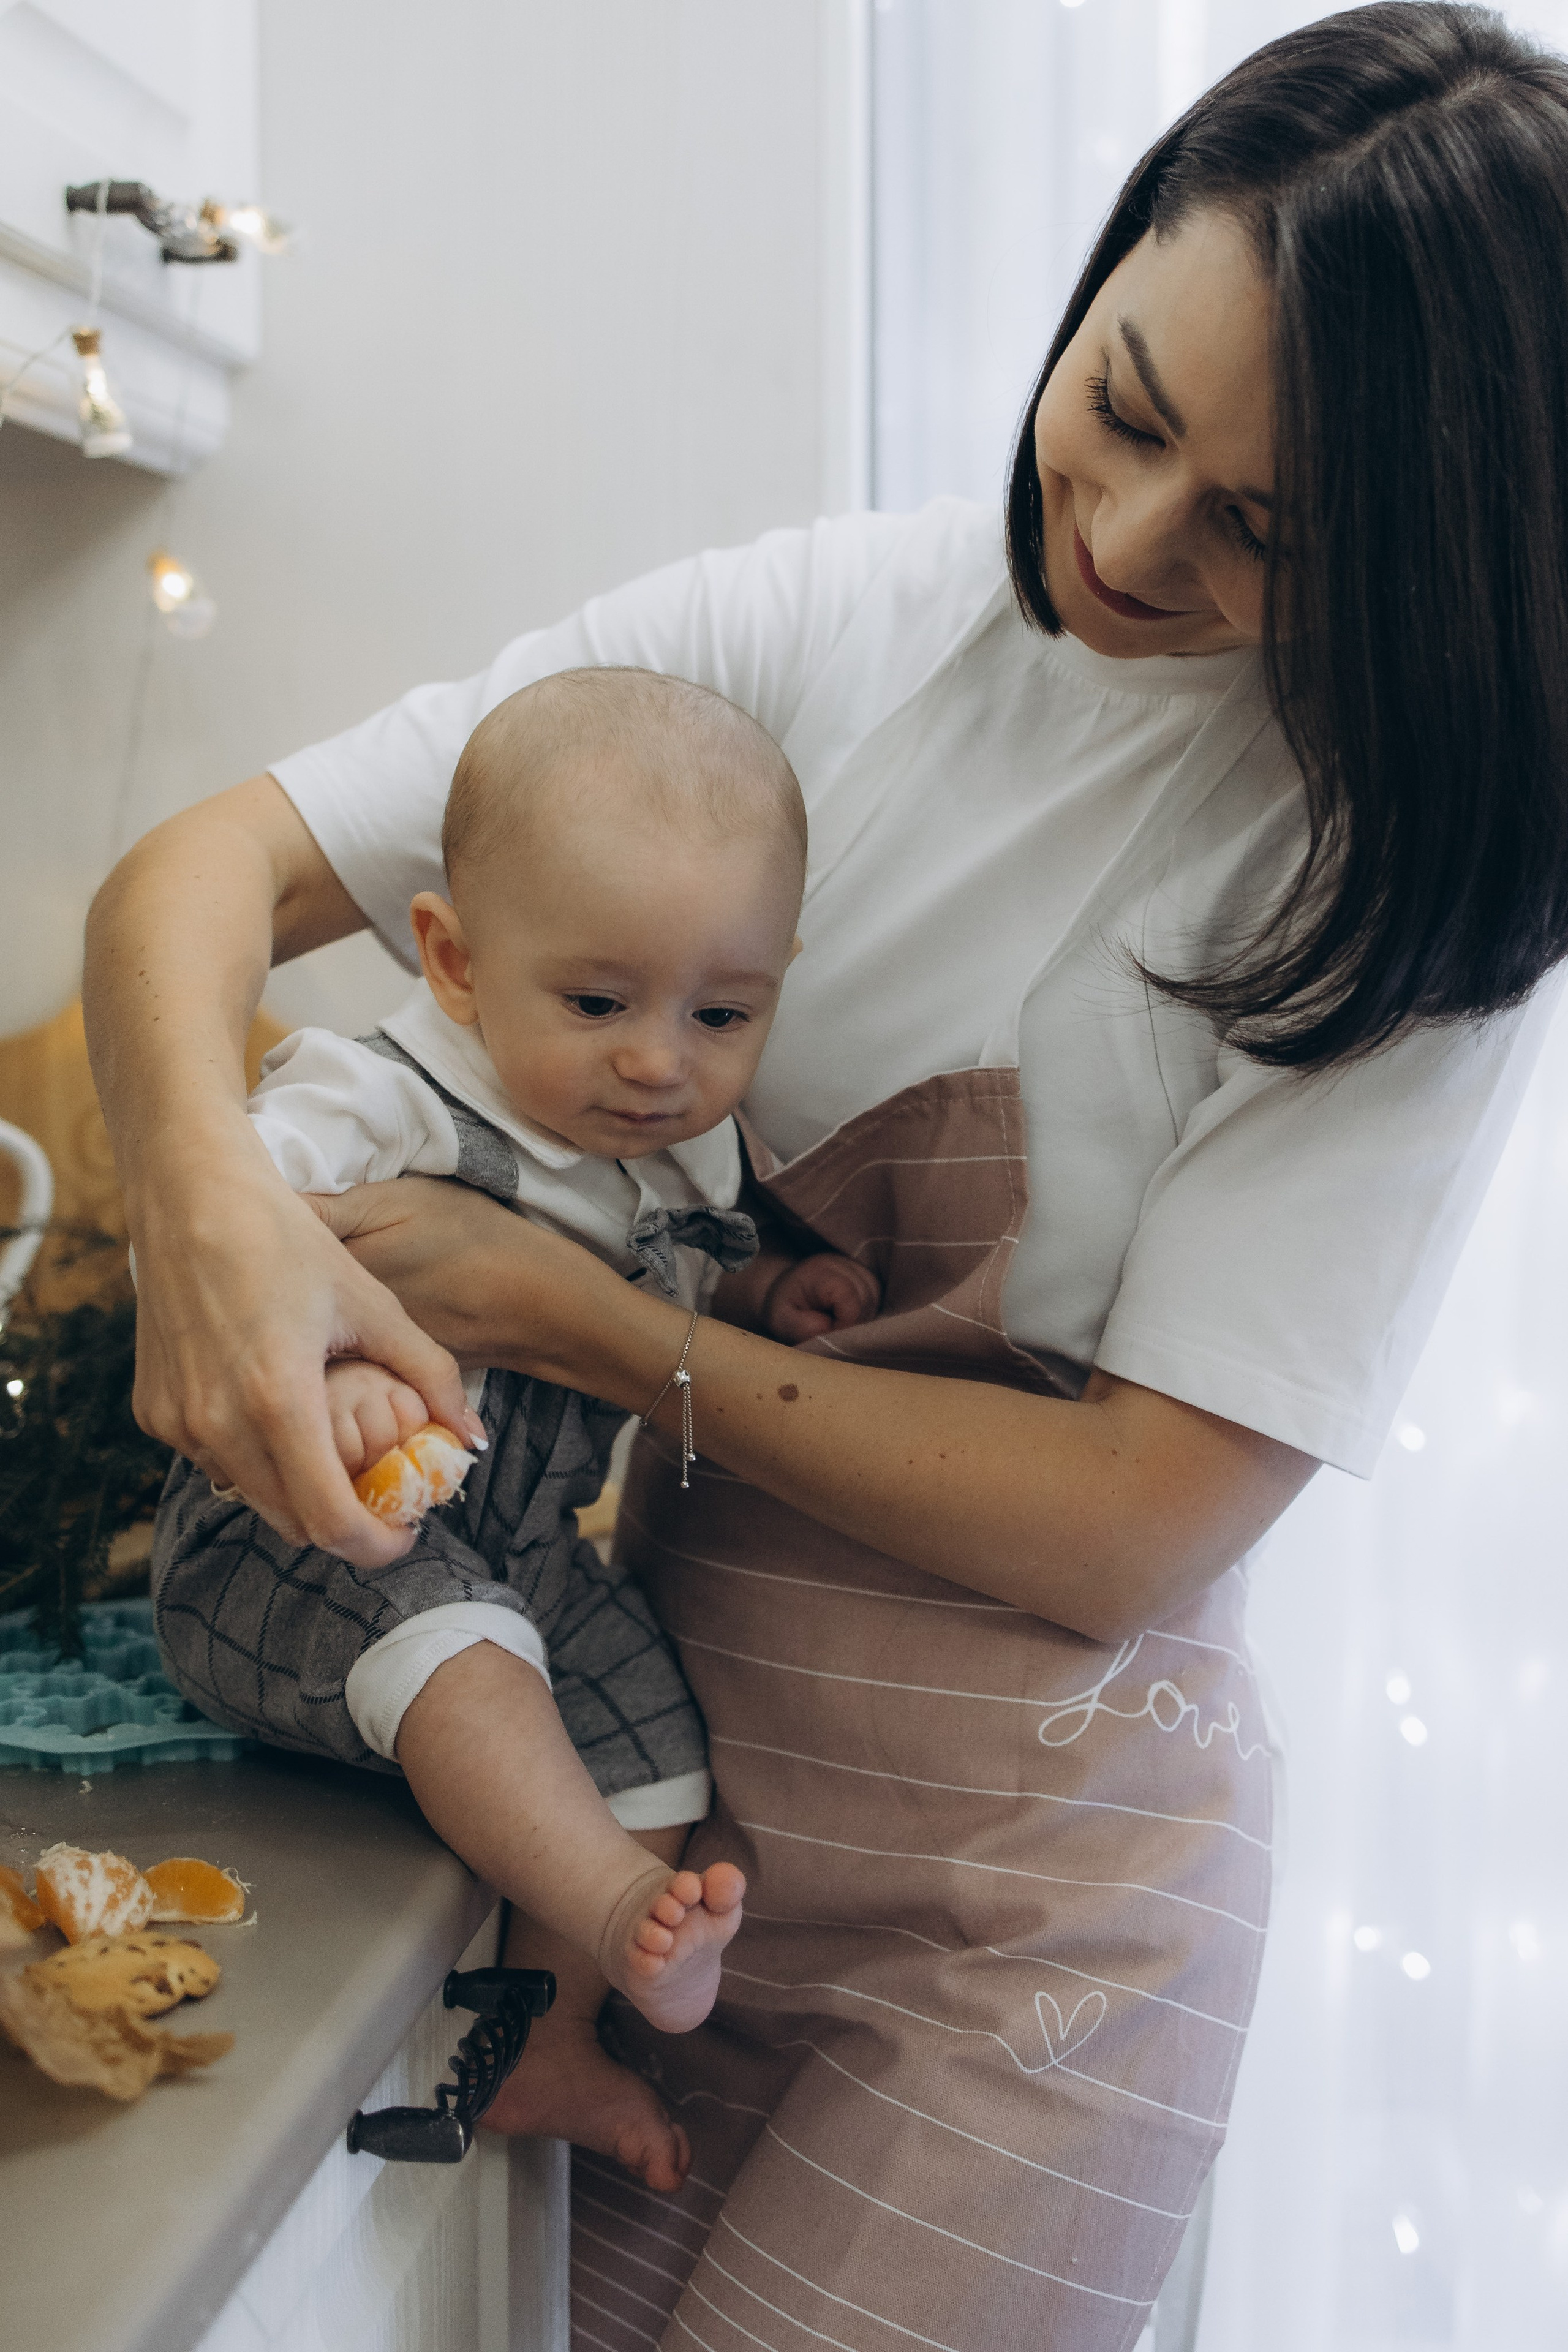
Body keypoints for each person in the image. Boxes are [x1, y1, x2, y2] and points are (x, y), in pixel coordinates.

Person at [83, 7, 1568, 2345]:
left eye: (1264, 528)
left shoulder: (1409, 895)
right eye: (1129, 404)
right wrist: (200, 1196)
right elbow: (207, 869)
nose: (1124, 537)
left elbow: (1132, 1524)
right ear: (1104, 268)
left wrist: (567, 1309)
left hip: (1036, 1954)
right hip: (674, 1854)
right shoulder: (823, 632)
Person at [150, 668, 877, 2191]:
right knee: (466, 1638)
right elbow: (232, 1229)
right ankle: (611, 1907)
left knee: (650, 1734)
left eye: (722, 1012)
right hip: (297, 1539)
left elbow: (692, 1303)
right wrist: (328, 1351)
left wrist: (776, 1304)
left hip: (518, 1549)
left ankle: (546, 2033)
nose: (659, 1061)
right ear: (455, 959)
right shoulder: (382, 1096)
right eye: (599, 1003)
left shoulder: (683, 1160)